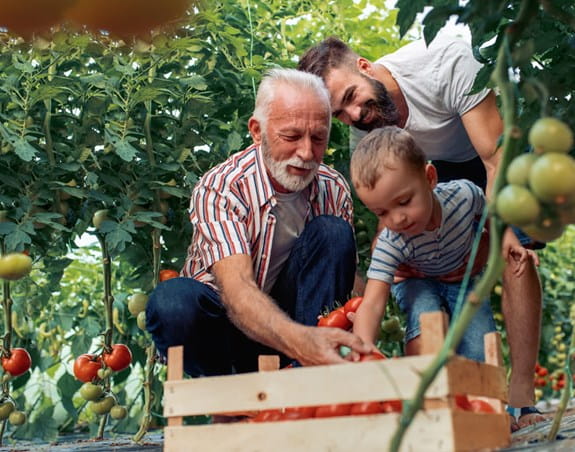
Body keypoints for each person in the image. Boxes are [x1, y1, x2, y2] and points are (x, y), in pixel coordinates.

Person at [298, 35, 543, 429]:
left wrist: (500, 239)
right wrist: (379, 280)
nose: (355, 115)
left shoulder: (445, 62)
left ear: (363, 66)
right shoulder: (367, 126)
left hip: (492, 149)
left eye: (351, 97)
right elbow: (387, 206)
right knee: (416, 262)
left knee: (516, 251)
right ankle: (450, 403)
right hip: (431, 169)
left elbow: (494, 162)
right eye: (339, 114)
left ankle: (523, 397)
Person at [145, 68, 371, 378]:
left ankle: (310, 383)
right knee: (172, 302)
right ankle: (225, 399)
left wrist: (368, 314)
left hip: (299, 329)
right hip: (228, 330)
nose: (306, 153)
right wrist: (302, 341)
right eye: (291, 136)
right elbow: (237, 292)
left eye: (319, 138)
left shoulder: (332, 188)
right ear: (256, 131)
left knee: (333, 232)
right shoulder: (223, 186)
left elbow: (340, 280)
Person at [350, 126, 530, 362]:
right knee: (427, 324)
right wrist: (362, 349)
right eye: (381, 213)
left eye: (404, 201)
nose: (397, 219)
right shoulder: (391, 242)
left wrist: (510, 241)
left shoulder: (464, 196)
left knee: (478, 348)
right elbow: (373, 303)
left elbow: (491, 215)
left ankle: (479, 397)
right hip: (416, 282)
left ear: (430, 178)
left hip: (461, 279)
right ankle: (424, 387)